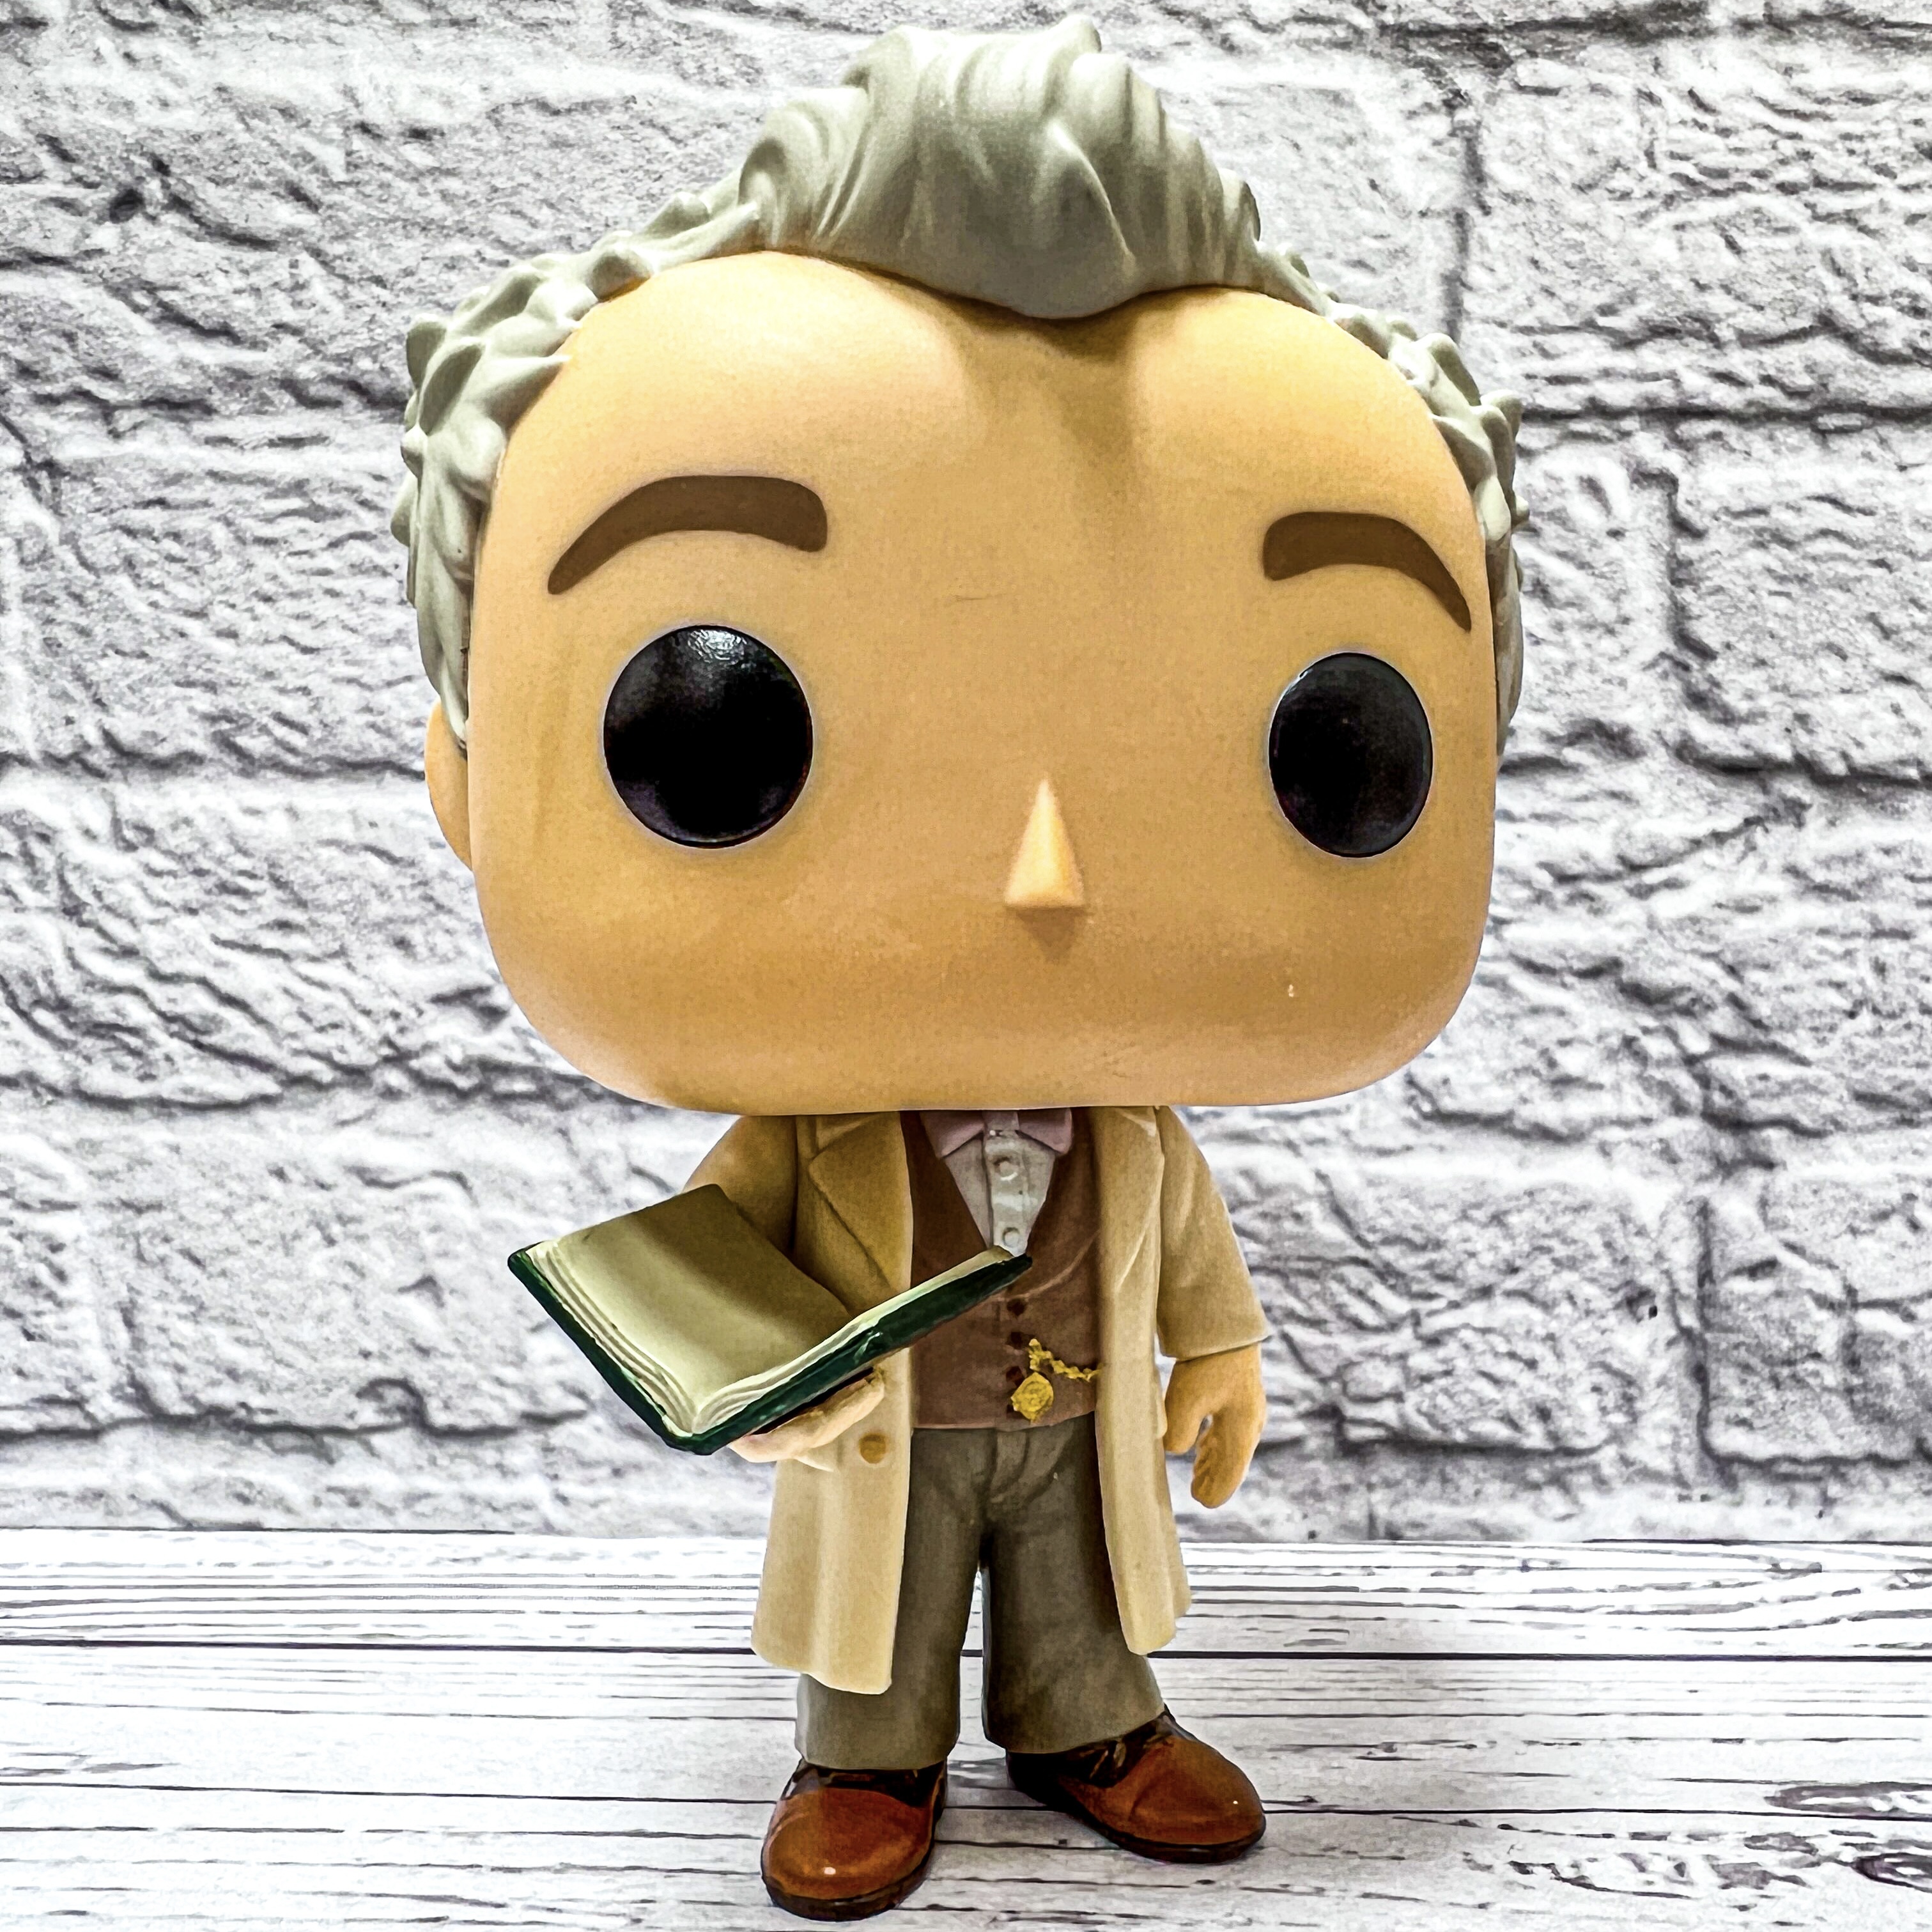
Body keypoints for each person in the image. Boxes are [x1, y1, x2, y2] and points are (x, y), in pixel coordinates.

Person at [392, 17, 1526, 1920]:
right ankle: (871, 1757)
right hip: (887, 1437)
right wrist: (751, 1377)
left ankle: (1092, 1723)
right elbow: (717, 1264)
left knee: (1085, 1584)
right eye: (716, 730)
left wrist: (1223, 1351)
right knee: (885, 1609)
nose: (1042, 873)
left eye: (1341, 749)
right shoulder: (812, 1143)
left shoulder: (1134, 1141)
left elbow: (1182, 1241)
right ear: (465, 772)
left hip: (1074, 1417)